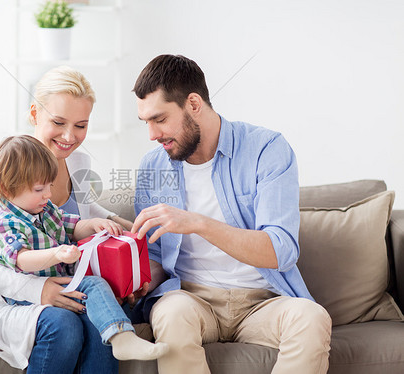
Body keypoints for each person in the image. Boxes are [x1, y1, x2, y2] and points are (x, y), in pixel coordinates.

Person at [129, 54, 332, 374]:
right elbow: (153, 255)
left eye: (160, 119)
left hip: (264, 301)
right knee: (170, 313)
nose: (152, 134)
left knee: (311, 317)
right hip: (190, 299)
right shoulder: (153, 166)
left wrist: (196, 223)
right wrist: (136, 280)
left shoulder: (266, 149)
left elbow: (282, 250)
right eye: (147, 123)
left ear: (193, 104)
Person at [0, 66, 135, 373]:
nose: (69, 136)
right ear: (35, 113)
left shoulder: (77, 161)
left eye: (81, 125)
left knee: (98, 326)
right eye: (58, 122)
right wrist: (38, 291)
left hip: (61, 288)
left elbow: (83, 213)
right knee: (65, 324)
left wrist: (128, 232)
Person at [0, 134, 169, 361]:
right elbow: (22, 259)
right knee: (94, 283)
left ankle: (118, 334)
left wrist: (91, 224)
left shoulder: (43, 208)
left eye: (50, 186)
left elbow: (70, 226)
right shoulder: (3, 224)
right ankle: (121, 335)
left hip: (64, 283)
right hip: (29, 295)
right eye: (39, 189)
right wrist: (56, 253)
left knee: (103, 295)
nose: (48, 194)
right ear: (7, 188)